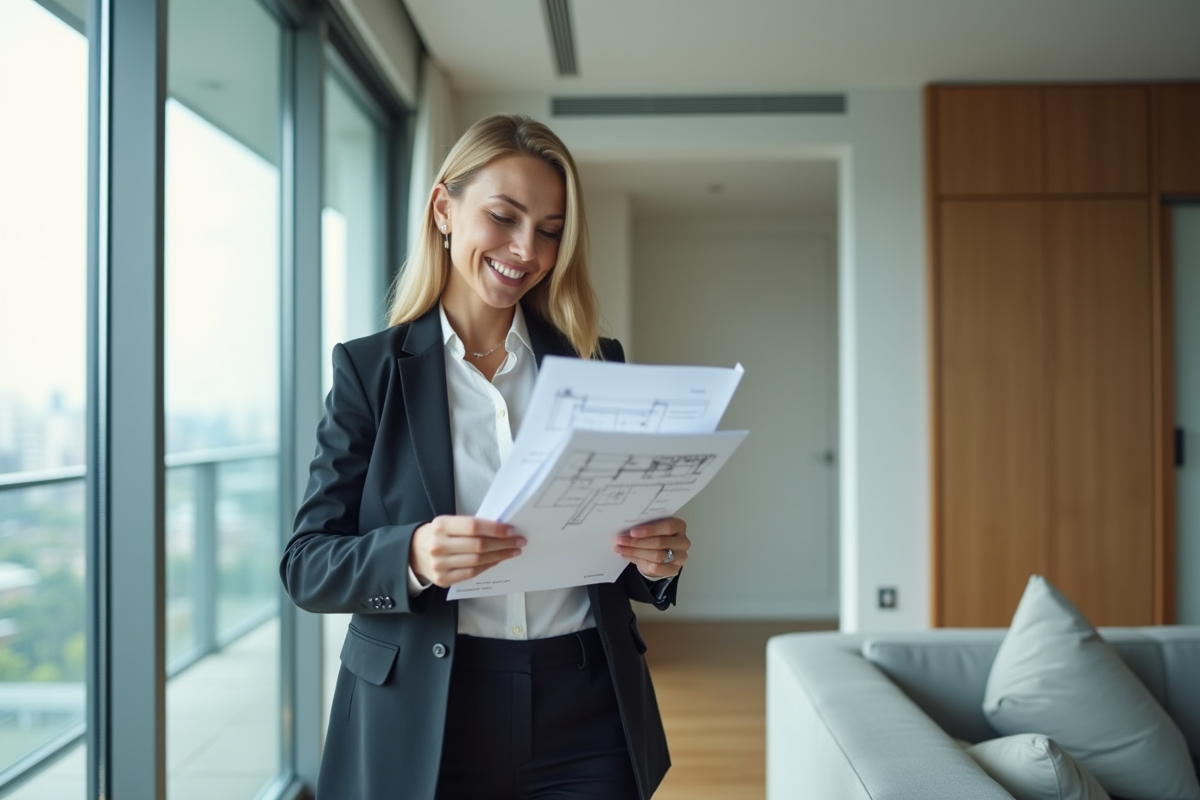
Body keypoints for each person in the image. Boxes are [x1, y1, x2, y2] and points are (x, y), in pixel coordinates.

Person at [280, 113, 691, 800]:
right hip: (426, 711)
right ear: (444, 208)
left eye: (551, 230)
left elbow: (614, 543)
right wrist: (411, 555)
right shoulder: (370, 372)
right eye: (504, 217)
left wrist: (656, 559)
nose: (526, 249)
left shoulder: (594, 364)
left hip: (586, 703)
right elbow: (306, 563)